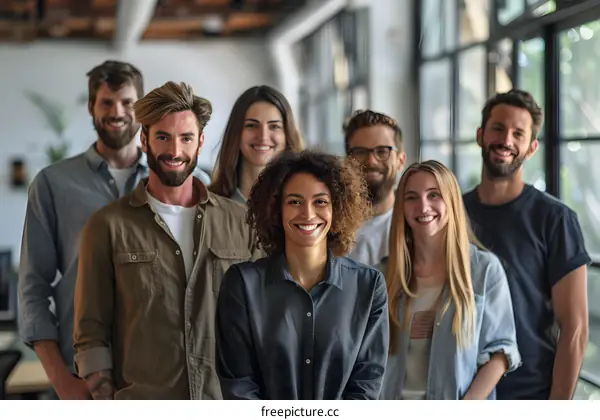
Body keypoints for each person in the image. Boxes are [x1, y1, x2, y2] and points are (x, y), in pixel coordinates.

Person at [72, 81, 261, 400]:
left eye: (186, 138)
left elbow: (263, 320)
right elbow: (91, 332)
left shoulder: (241, 222)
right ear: (144, 140)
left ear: (200, 142)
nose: (175, 151)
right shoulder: (107, 226)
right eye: (163, 136)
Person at [18, 60, 146, 400]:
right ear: (91, 107)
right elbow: (33, 287)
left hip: (159, 376)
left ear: (142, 107)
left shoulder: (178, 184)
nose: (117, 112)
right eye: (106, 102)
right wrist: (61, 381)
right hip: (81, 378)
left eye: (128, 102)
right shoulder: (53, 184)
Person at [215, 150, 389, 400]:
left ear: (337, 207)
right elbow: (240, 388)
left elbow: (367, 383)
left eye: (320, 201)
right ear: (276, 209)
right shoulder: (242, 284)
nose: (308, 214)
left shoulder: (369, 286)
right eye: (295, 202)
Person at [463, 89, 590, 399]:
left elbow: (574, 329)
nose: (506, 140)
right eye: (498, 128)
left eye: (518, 133)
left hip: (528, 394)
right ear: (481, 135)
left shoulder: (556, 219)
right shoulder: (453, 213)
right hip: (459, 390)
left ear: (531, 148)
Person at [379, 160, 521, 400]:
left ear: (452, 200)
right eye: (411, 197)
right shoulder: (381, 275)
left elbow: (501, 351)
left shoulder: (484, 270)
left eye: (434, 195)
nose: (423, 206)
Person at [209, 85, 304, 203]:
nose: (263, 136)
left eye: (274, 126)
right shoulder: (209, 205)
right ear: (235, 133)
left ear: (287, 135)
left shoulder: (303, 206)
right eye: (252, 125)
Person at [344, 110, 406, 267]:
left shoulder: (416, 224)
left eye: (382, 151)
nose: (371, 161)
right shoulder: (327, 224)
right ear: (347, 161)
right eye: (360, 152)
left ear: (401, 160)